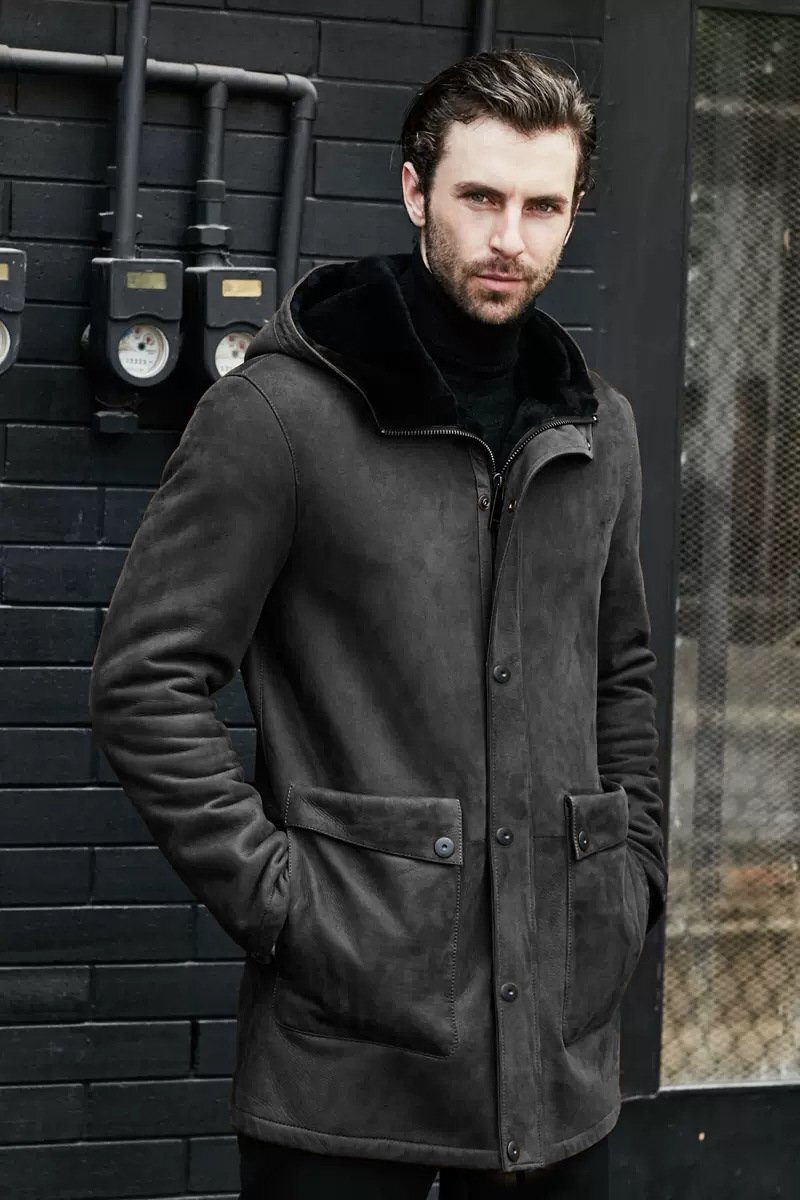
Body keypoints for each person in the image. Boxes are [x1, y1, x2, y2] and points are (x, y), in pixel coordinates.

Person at [89, 49, 667, 1199]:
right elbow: (144, 681)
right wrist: (290, 908)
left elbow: (622, 673)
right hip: (346, 1068)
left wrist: (629, 878)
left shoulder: (599, 433)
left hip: (558, 1060)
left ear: (571, 213)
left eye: (542, 207)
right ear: (413, 191)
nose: (508, 238)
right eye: (478, 197)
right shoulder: (278, 417)